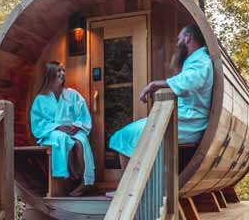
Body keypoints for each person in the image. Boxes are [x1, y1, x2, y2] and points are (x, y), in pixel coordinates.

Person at [109, 24, 213, 169]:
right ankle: (131, 188)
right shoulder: (197, 59)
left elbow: (188, 81)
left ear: (188, 38)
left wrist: (154, 84)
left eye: (179, 38)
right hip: (182, 119)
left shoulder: (201, 60)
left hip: (188, 122)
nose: (177, 43)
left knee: (126, 136)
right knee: (125, 136)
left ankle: (128, 190)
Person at [30, 61, 94, 196]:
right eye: (58, 71)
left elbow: (83, 116)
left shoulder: (72, 94)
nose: (62, 74)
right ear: (50, 74)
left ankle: (85, 182)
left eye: (63, 70)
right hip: (51, 132)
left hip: (74, 130)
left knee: (81, 142)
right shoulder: (40, 99)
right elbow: (38, 123)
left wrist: (76, 126)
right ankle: (69, 175)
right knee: (62, 138)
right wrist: (57, 126)